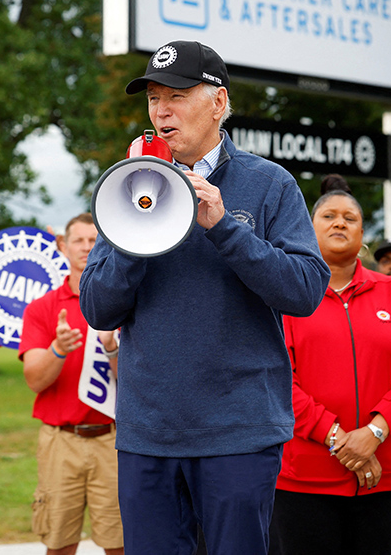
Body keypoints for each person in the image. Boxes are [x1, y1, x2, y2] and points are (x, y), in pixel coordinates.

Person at [79, 40, 330, 555]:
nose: (161, 110)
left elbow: (305, 290)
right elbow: (98, 307)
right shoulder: (127, 186)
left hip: (238, 434)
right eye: (152, 98)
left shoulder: (269, 184)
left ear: (218, 102)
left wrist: (225, 229)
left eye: (177, 94)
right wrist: (138, 228)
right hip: (149, 434)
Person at [268, 178, 391, 555]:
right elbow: (276, 379)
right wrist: (339, 439)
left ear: (363, 233)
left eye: (350, 217)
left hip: (384, 475)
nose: (339, 223)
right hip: (303, 480)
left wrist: (374, 432)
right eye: (328, 216)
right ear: (309, 229)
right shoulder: (285, 296)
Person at [20, 213, 123, 555]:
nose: (86, 248)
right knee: (59, 544)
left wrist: (111, 348)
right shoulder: (42, 309)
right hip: (61, 441)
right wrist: (57, 349)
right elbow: (35, 379)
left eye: (95, 241)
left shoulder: (122, 303)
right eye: (78, 240)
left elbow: (136, 382)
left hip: (114, 439)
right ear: (62, 246)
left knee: (121, 543)